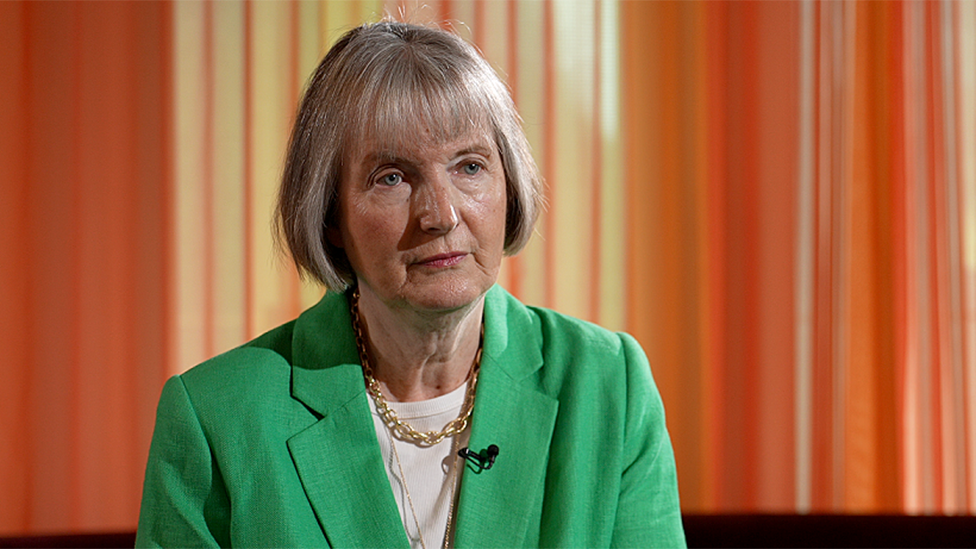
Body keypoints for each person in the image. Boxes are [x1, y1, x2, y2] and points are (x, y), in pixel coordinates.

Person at [135, 20, 685, 549]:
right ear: (329, 215)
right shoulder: (215, 418)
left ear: (509, 185)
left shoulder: (609, 385)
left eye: (469, 166)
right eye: (392, 177)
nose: (441, 214)